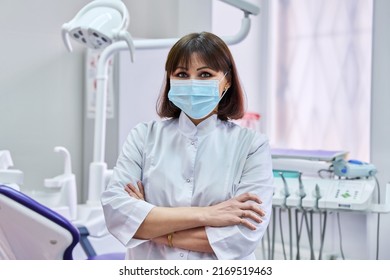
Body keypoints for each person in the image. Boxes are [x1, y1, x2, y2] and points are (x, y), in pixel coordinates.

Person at [101, 31, 274, 260]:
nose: (193, 82)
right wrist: (209, 215)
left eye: (205, 74)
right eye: (182, 74)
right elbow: (117, 214)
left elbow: (241, 237)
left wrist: (152, 227)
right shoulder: (143, 136)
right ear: (171, 80)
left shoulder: (252, 146)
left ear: (227, 82)